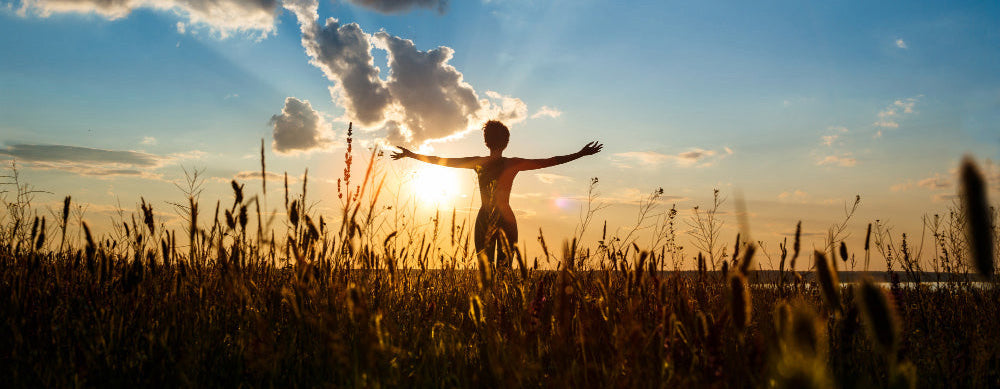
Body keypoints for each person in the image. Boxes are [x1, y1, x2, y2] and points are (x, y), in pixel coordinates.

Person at [391, 120, 603, 267]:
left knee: (485, 270)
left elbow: (441, 160)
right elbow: (550, 161)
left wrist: (411, 155)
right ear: (506, 142)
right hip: (507, 219)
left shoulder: (478, 163)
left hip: (484, 217)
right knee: (504, 269)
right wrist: (581, 154)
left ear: (486, 142)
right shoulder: (513, 164)